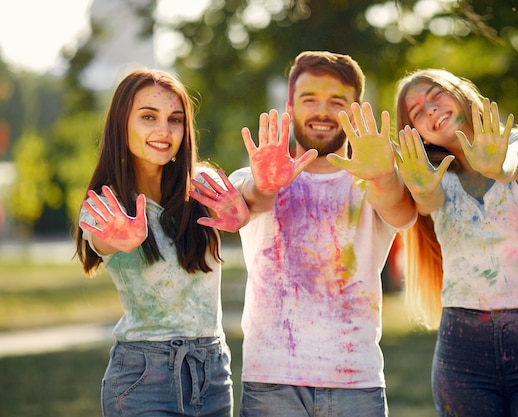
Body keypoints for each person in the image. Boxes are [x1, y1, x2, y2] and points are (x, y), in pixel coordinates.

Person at [227, 51, 417, 417]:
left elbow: (401, 212)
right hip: (271, 384)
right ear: (289, 106)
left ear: (357, 108)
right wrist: (264, 186)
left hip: (356, 384)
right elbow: (247, 202)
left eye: (337, 101)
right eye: (309, 99)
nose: (322, 111)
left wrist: (384, 176)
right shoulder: (253, 179)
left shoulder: (375, 183)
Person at [393, 68, 518, 416]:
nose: (430, 109)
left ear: (461, 92)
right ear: (416, 132)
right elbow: (427, 201)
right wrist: (420, 188)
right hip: (462, 355)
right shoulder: (432, 177)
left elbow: (514, 163)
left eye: (436, 95)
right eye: (418, 111)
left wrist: (498, 165)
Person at [74, 68, 250, 417]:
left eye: (175, 119)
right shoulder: (107, 204)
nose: (164, 131)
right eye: (148, 117)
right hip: (143, 379)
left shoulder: (202, 184)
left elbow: (251, 195)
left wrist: (251, 204)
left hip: (212, 374)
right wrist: (116, 240)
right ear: (121, 124)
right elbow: (99, 239)